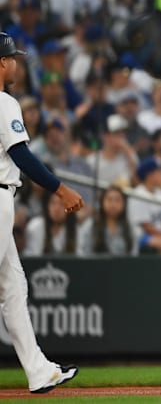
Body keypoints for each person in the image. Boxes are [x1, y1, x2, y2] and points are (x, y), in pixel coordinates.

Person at [0, 32, 81, 393]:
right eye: (11, 57)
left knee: (14, 286)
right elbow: (22, 157)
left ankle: (38, 371)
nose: (15, 62)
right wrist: (60, 188)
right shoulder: (4, 102)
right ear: (2, 63)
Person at [77, 186, 138, 256]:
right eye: (109, 199)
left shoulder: (129, 227)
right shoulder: (91, 225)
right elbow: (82, 251)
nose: (113, 204)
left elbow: (133, 253)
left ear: (124, 204)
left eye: (117, 200)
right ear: (102, 202)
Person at [23, 190, 78, 256]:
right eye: (53, 203)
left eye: (62, 204)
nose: (57, 209)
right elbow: (32, 258)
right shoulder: (35, 227)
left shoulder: (77, 229)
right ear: (47, 205)